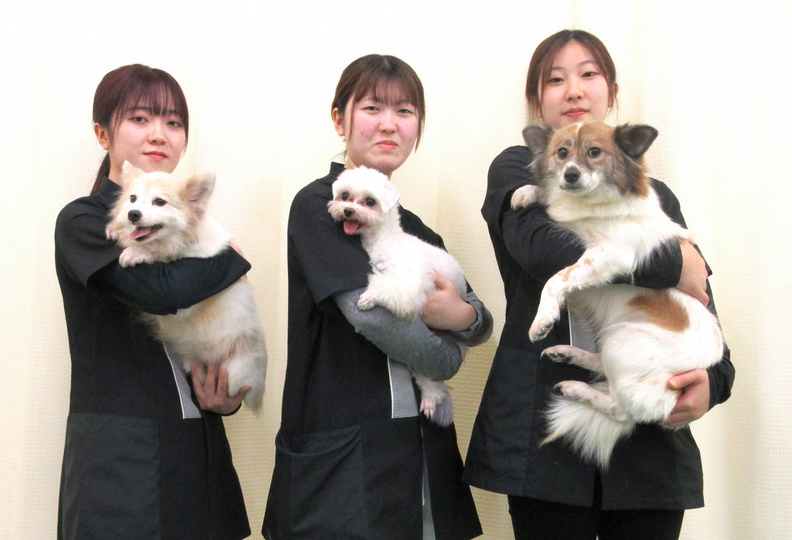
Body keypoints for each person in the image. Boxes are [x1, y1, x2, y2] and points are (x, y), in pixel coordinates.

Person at [464, 30, 735, 540]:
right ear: (535, 100)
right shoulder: (517, 170)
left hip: (650, 452)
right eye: (555, 79)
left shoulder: (656, 194)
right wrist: (673, 261)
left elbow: (699, 307)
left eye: (588, 74)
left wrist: (713, 384)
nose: (573, 90)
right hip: (542, 443)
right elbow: (545, 252)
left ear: (610, 91)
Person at [262, 54, 493, 540]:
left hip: (422, 454)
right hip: (344, 452)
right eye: (372, 107)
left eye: (405, 111)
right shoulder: (319, 207)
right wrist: (450, 352)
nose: (389, 124)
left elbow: (482, 320)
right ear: (339, 119)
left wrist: (464, 314)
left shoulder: (420, 230)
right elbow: (372, 320)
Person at [55, 64, 251, 540]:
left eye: (174, 122)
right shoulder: (84, 221)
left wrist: (225, 400)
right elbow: (161, 292)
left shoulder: (186, 227)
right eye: (140, 119)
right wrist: (231, 260)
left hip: (196, 449)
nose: (159, 134)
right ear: (103, 133)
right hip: (117, 460)